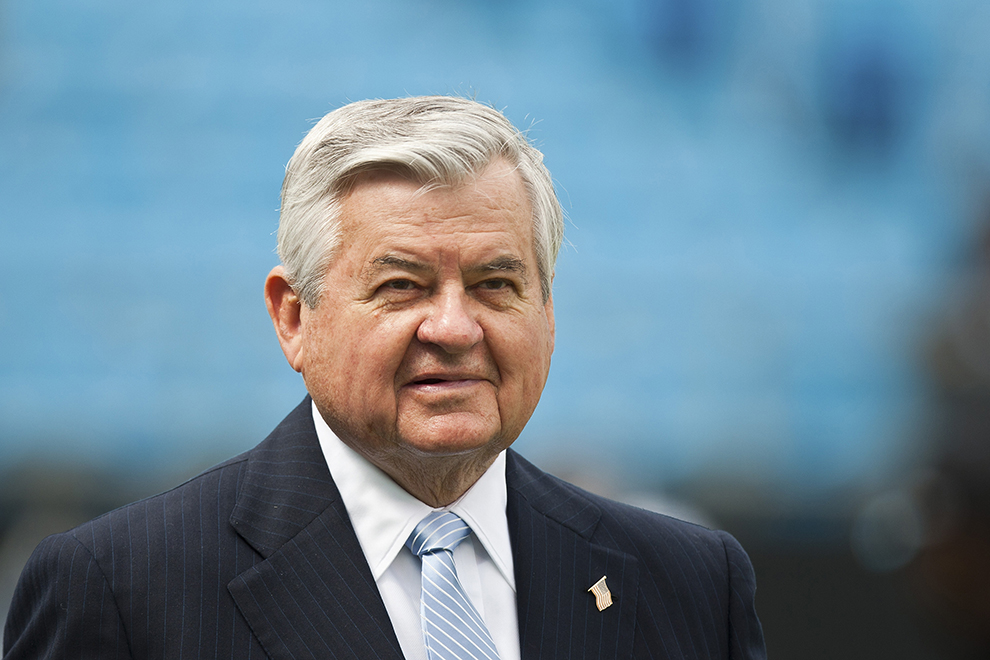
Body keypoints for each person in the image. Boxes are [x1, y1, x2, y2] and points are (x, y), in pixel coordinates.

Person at [3, 96, 766, 660]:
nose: (455, 328)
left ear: (549, 311)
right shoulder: (120, 589)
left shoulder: (692, 585)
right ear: (294, 319)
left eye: (497, 284)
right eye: (401, 286)